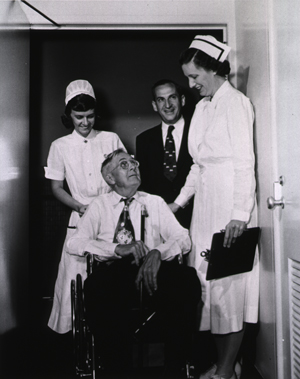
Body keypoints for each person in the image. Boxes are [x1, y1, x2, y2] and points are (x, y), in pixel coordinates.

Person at [169, 36, 259, 379]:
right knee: (210, 289)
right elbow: (197, 165)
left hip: (228, 206)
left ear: (212, 68)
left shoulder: (236, 103)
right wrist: (177, 203)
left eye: (195, 76)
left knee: (228, 287)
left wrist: (239, 214)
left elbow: (243, 163)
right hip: (205, 207)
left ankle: (224, 371)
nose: (191, 85)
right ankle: (227, 365)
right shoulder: (204, 107)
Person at [67, 148, 201, 378]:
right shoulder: (99, 205)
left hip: (154, 272)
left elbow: (182, 238)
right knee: (95, 287)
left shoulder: (155, 202)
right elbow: (75, 242)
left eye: (134, 163)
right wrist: (116, 249)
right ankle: (118, 371)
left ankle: (174, 368)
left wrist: (157, 252)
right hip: (115, 273)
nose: (133, 167)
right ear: (110, 178)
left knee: (187, 279)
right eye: (124, 165)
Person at [44, 80, 125, 334]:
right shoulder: (60, 146)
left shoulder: (111, 139)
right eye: (79, 117)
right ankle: (77, 336)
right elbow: (56, 188)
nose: (85, 122)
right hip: (79, 217)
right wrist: (80, 207)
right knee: (76, 277)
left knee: (111, 281)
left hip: (112, 217)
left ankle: (109, 335)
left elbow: (124, 177)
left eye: (90, 116)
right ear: (68, 115)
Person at [136, 79, 194, 229]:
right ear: (155, 105)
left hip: (196, 218)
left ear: (182, 100)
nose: (167, 105)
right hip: (159, 224)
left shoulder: (197, 131)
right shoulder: (143, 140)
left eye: (172, 97)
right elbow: (143, 187)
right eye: (161, 100)